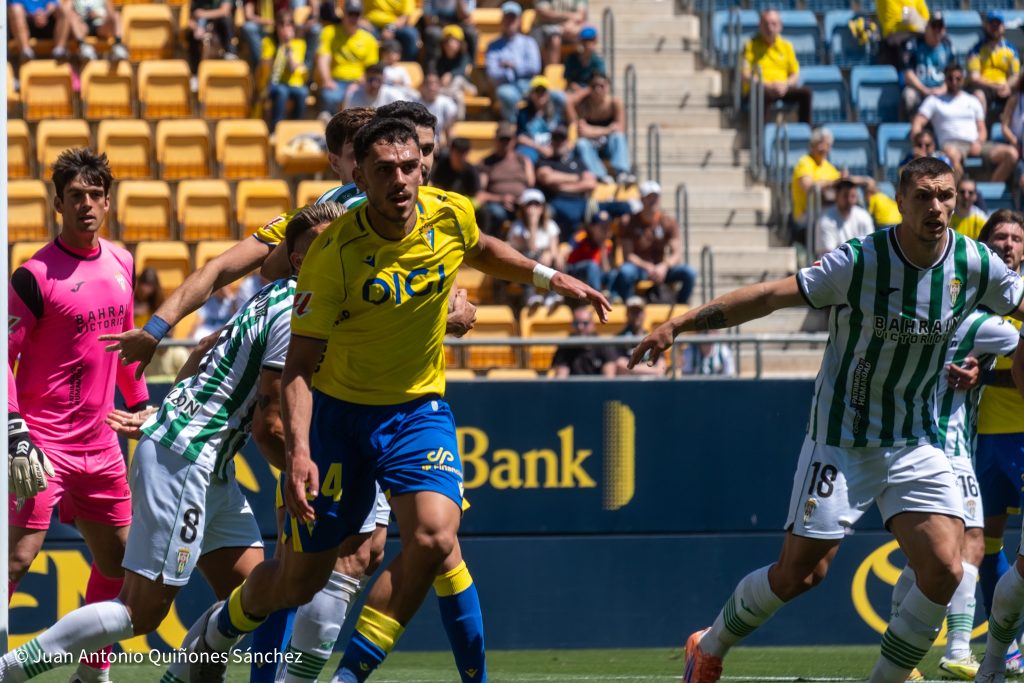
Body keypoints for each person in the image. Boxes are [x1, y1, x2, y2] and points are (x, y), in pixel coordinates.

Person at [174, 117, 609, 683]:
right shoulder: (334, 251)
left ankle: (346, 678)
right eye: (385, 170)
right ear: (360, 177)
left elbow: (481, 248)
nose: (401, 179)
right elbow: (299, 368)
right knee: (296, 582)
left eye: (410, 166)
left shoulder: (450, 213)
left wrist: (550, 277)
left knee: (434, 537)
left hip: (415, 412)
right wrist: (299, 454)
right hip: (339, 420)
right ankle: (217, 634)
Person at [629, 156, 1024, 683]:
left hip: (915, 439)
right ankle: (709, 644)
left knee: (945, 568)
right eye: (924, 196)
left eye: (945, 196)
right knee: (800, 574)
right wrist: (678, 324)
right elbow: (769, 297)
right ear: (899, 201)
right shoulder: (860, 261)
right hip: (842, 440)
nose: (936, 207)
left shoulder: (974, 263)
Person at [0, 203, 340, 683]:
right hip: (186, 458)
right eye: (327, 243)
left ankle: (184, 675)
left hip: (205, 458)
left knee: (255, 590)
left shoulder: (275, 295)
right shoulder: (294, 312)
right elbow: (269, 425)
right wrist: (302, 474)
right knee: (141, 611)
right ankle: (10, 670)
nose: (341, 249)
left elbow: (203, 350)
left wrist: (170, 410)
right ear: (302, 259)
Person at [6, 149, 150, 683]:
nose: (86, 205)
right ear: (58, 204)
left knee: (119, 567)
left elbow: (124, 345)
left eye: (94, 195)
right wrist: (14, 429)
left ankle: (92, 672)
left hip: (102, 444)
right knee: (17, 558)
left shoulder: (123, 262)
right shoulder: (33, 275)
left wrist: (140, 405)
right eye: (75, 196)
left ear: (107, 203)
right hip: (41, 445)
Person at [968, 216, 1024, 683]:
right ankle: (1005, 648)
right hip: (985, 434)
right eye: (1000, 237)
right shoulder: (970, 294)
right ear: (984, 244)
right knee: (985, 543)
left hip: (1021, 432)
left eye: (1016, 238)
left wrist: (983, 375)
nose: (1008, 244)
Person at [912, 62, 1019, 183]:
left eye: (958, 78)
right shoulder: (934, 100)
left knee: (1011, 154)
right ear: (945, 79)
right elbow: (918, 122)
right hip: (951, 145)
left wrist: (979, 142)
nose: (954, 81)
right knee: (952, 157)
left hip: (975, 143)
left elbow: (982, 129)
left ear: (963, 79)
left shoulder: (972, 100)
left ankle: (990, 188)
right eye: (950, 78)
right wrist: (917, 144)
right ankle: (958, 190)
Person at [612, 180, 695, 304]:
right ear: (642, 199)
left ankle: (681, 305)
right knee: (625, 271)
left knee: (689, 272)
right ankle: (631, 305)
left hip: (661, 267)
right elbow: (628, 255)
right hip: (639, 268)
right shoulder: (629, 222)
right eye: (649, 197)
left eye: (655, 197)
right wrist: (648, 267)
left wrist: (663, 266)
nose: (653, 200)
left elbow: (676, 254)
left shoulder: (668, 221)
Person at [742, 9, 812, 125]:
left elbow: (795, 74)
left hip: (782, 88)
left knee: (806, 93)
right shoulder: (750, 46)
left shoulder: (787, 46)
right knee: (762, 95)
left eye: (773, 24)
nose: (770, 28)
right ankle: (761, 133)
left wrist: (785, 84)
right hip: (761, 88)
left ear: (780, 26)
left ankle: (804, 131)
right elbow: (745, 75)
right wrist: (767, 85)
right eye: (766, 24)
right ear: (760, 26)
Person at [317, 0, 380, 117]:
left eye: (357, 14)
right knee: (328, 96)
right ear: (343, 13)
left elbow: (371, 69)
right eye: (350, 13)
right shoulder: (329, 32)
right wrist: (327, 80)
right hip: (336, 82)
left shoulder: (369, 39)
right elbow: (323, 58)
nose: (353, 18)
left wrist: (358, 83)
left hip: (359, 84)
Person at [485, 1, 543, 123]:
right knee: (505, 94)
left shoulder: (529, 42)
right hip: (506, 86)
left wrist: (512, 66)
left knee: (547, 94)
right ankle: (517, 125)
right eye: (507, 18)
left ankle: (538, 125)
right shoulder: (493, 46)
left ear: (519, 20)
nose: (510, 21)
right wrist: (512, 71)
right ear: (502, 20)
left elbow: (535, 67)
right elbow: (492, 72)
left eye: (513, 18)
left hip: (528, 85)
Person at [536, 125, 597, 239]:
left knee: (608, 212)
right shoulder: (545, 161)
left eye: (562, 139)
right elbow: (547, 178)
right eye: (556, 139)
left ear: (568, 142)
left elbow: (591, 183)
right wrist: (578, 177)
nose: (559, 142)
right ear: (551, 142)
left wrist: (561, 187)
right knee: (572, 214)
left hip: (579, 201)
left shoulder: (578, 162)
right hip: (556, 200)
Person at [506, 187, 563, 307]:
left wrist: (549, 253)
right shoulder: (517, 227)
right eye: (529, 204)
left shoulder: (551, 225)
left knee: (557, 258)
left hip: (545, 263)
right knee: (529, 257)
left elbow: (554, 248)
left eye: (537, 204)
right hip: (526, 265)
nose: (533, 208)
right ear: (523, 207)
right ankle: (530, 295)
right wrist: (533, 223)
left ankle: (553, 295)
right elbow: (531, 248)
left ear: (543, 207)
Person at [574, 71, 633, 185]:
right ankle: (600, 175)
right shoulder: (584, 105)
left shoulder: (615, 103)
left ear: (607, 87)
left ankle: (621, 172)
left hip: (608, 145)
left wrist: (591, 130)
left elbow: (619, 129)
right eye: (594, 86)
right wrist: (608, 130)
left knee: (618, 137)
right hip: (592, 145)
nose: (597, 89)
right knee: (581, 144)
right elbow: (582, 132)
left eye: (601, 86)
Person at [477, 120, 535, 235]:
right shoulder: (487, 162)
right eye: (502, 139)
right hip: (498, 204)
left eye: (508, 139)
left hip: (522, 203)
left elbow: (531, 184)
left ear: (513, 141)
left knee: (542, 211)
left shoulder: (523, 160)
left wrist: (522, 200)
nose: (505, 143)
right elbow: (481, 193)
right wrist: (501, 199)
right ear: (495, 140)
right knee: (495, 213)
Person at [262, 10, 310, 133]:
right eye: (281, 24)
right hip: (273, 84)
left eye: (288, 24)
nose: (285, 28)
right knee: (282, 91)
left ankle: (296, 130)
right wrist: (279, 46)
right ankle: (276, 130)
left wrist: (287, 45)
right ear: (276, 27)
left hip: (293, 84)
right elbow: (266, 68)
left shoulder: (299, 44)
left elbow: (293, 68)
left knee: (303, 92)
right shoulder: (269, 43)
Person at [790, 127, 841, 242]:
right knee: (830, 219)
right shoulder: (804, 162)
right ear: (812, 145)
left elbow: (839, 182)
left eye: (827, 145)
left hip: (827, 211)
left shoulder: (828, 166)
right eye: (821, 144)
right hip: (806, 214)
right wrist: (829, 183)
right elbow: (808, 186)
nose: (824, 148)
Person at [967, 11, 1020, 121]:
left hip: (1005, 86)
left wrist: (1008, 86)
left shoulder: (1011, 49)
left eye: (998, 25)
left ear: (1003, 27)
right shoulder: (976, 50)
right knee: (978, 95)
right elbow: (974, 77)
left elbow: (1015, 75)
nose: (995, 28)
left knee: (1018, 96)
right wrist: (995, 86)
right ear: (986, 26)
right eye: (992, 25)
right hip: (985, 87)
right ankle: (981, 129)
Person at [900, 13, 952, 118]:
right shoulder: (914, 44)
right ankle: (912, 126)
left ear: (944, 30)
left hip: (941, 89)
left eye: (940, 27)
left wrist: (943, 89)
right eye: (934, 26)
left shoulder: (947, 46)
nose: (937, 30)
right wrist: (925, 90)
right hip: (919, 89)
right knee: (908, 95)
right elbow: (908, 74)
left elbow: (953, 73)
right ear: (927, 27)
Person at [516, 74, 571, 164]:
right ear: (531, 94)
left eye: (543, 91)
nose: (540, 94)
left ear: (548, 94)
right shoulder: (523, 113)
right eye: (537, 91)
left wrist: (555, 147)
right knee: (525, 156)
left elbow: (564, 131)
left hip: (554, 145)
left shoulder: (556, 111)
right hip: (533, 148)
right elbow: (520, 137)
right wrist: (540, 148)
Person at [813, 178, 875, 258]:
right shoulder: (825, 220)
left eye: (852, 196)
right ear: (837, 196)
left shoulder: (864, 216)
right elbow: (828, 257)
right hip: (835, 264)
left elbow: (870, 247)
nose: (849, 200)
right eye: (845, 196)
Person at [607, 296, 666, 376]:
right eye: (633, 312)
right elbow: (619, 365)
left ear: (644, 314)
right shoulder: (618, 339)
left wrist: (631, 368)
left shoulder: (653, 339)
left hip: (650, 381)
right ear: (627, 314)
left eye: (638, 312)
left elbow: (661, 368)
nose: (636, 315)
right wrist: (652, 370)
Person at [552, 306, 618, 377]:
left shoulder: (603, 345)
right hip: (574, 384)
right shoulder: (565, 346)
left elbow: (609, 378)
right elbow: (561, 376)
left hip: (598, 384)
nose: (580, 327)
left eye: (585, 323)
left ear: (593, 325)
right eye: (576, 323)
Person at [59, 0, 128, 61]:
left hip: (101, 25)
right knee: (72, 16)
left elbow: (111, 14)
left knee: (117, 15)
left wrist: (98, 15)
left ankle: (118, 45)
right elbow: (65, 11)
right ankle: (83, 46)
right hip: (83, 26)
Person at [565, 210, 615, 293]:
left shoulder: (608, 244)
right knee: (592, 266)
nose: (605, 229)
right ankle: (596, 295)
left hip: (596, 273)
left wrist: (602, 245)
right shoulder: (582, 236)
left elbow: (606, 270)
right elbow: (566, 250)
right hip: (575, 271)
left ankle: (612, 296)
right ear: (592, 227)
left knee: (612, 274)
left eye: (607, 226)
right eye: (602, 226)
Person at [419, 0, 478, 69]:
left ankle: (471, 67)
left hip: (459, 22)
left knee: (471, 33)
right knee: (433, 33)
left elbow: (467, 17)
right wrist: (442, 24)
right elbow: (428, 17)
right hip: (438, 23)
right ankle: (432, 70)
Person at [433, 24, 475, 118]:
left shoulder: (464, 57)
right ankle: (456, 119)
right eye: (447, 41)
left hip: (466, 87)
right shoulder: (439, 59)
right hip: (450, 90)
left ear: (460, 44)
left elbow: (462, 70)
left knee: (458, 79)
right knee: (457, 95)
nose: (450, 44)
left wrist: (450, 74)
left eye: (454, 41)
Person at [185, 0, 237, 75]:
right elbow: (190, 20)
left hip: (219, 30)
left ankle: (230, 53)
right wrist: (196, 28)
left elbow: (225, 11)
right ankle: (195, 72)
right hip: (200, 31)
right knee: (191, 35)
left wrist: (203, 14)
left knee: (225, 21)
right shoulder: (196, 2)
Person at [531, 0, 586, 68]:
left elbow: (580, 15)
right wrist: (568, 17)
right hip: (545, 27)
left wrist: (570, 23)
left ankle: (583, 70)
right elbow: (543, 14)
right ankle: (552, 71)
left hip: (570, 26)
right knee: (555, 39)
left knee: (587, 35)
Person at [876, 0, 930, 68]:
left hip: (916, 41)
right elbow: (897, 25)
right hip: (893, 46)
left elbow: (925, 18)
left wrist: (913, 20)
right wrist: (914, 21)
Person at [563, 25, 606, 96]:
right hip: (573, 92)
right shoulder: (571, 59)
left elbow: (599, 82)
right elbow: (568, 81)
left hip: (592, 93)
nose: (588, 43)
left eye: (591, 40)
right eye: (585, 40)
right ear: (581, 41)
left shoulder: (598, 61)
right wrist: (575, 87)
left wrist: (583, 91)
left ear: (595, 41)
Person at [418, 71, 459, 144]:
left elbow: (450, 127)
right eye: (429, 84)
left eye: (435, 84)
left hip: (439, 142)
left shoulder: (446, 103)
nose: (432, 88)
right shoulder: (414, 103)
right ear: (422, 86)